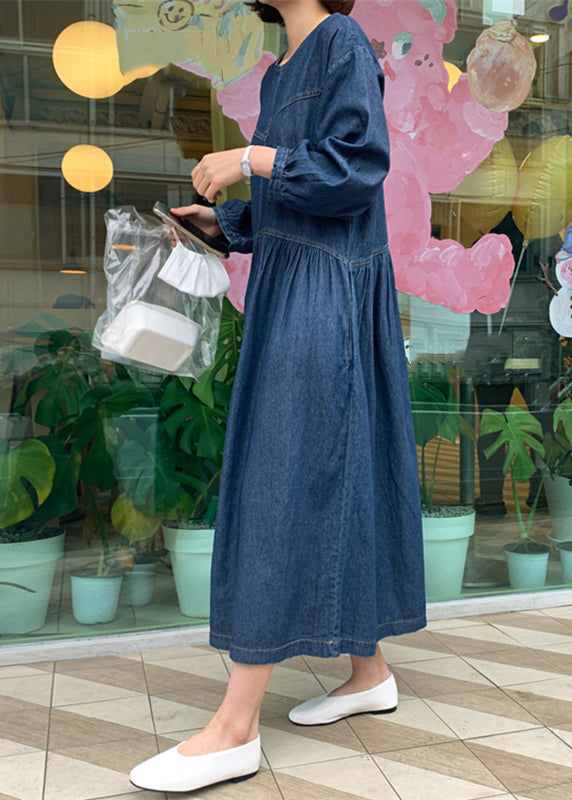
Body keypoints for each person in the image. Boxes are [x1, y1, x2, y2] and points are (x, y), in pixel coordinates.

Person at [130, 1, 426, 793]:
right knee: (330, 473)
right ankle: (370, 672)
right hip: (292, 286)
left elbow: (355, 172)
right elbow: (299, 197)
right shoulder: (281, 71)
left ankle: (236, 727)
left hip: (326, 295)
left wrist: (250, 159)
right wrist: (226, 226)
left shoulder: (340, 42)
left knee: (280, 480)